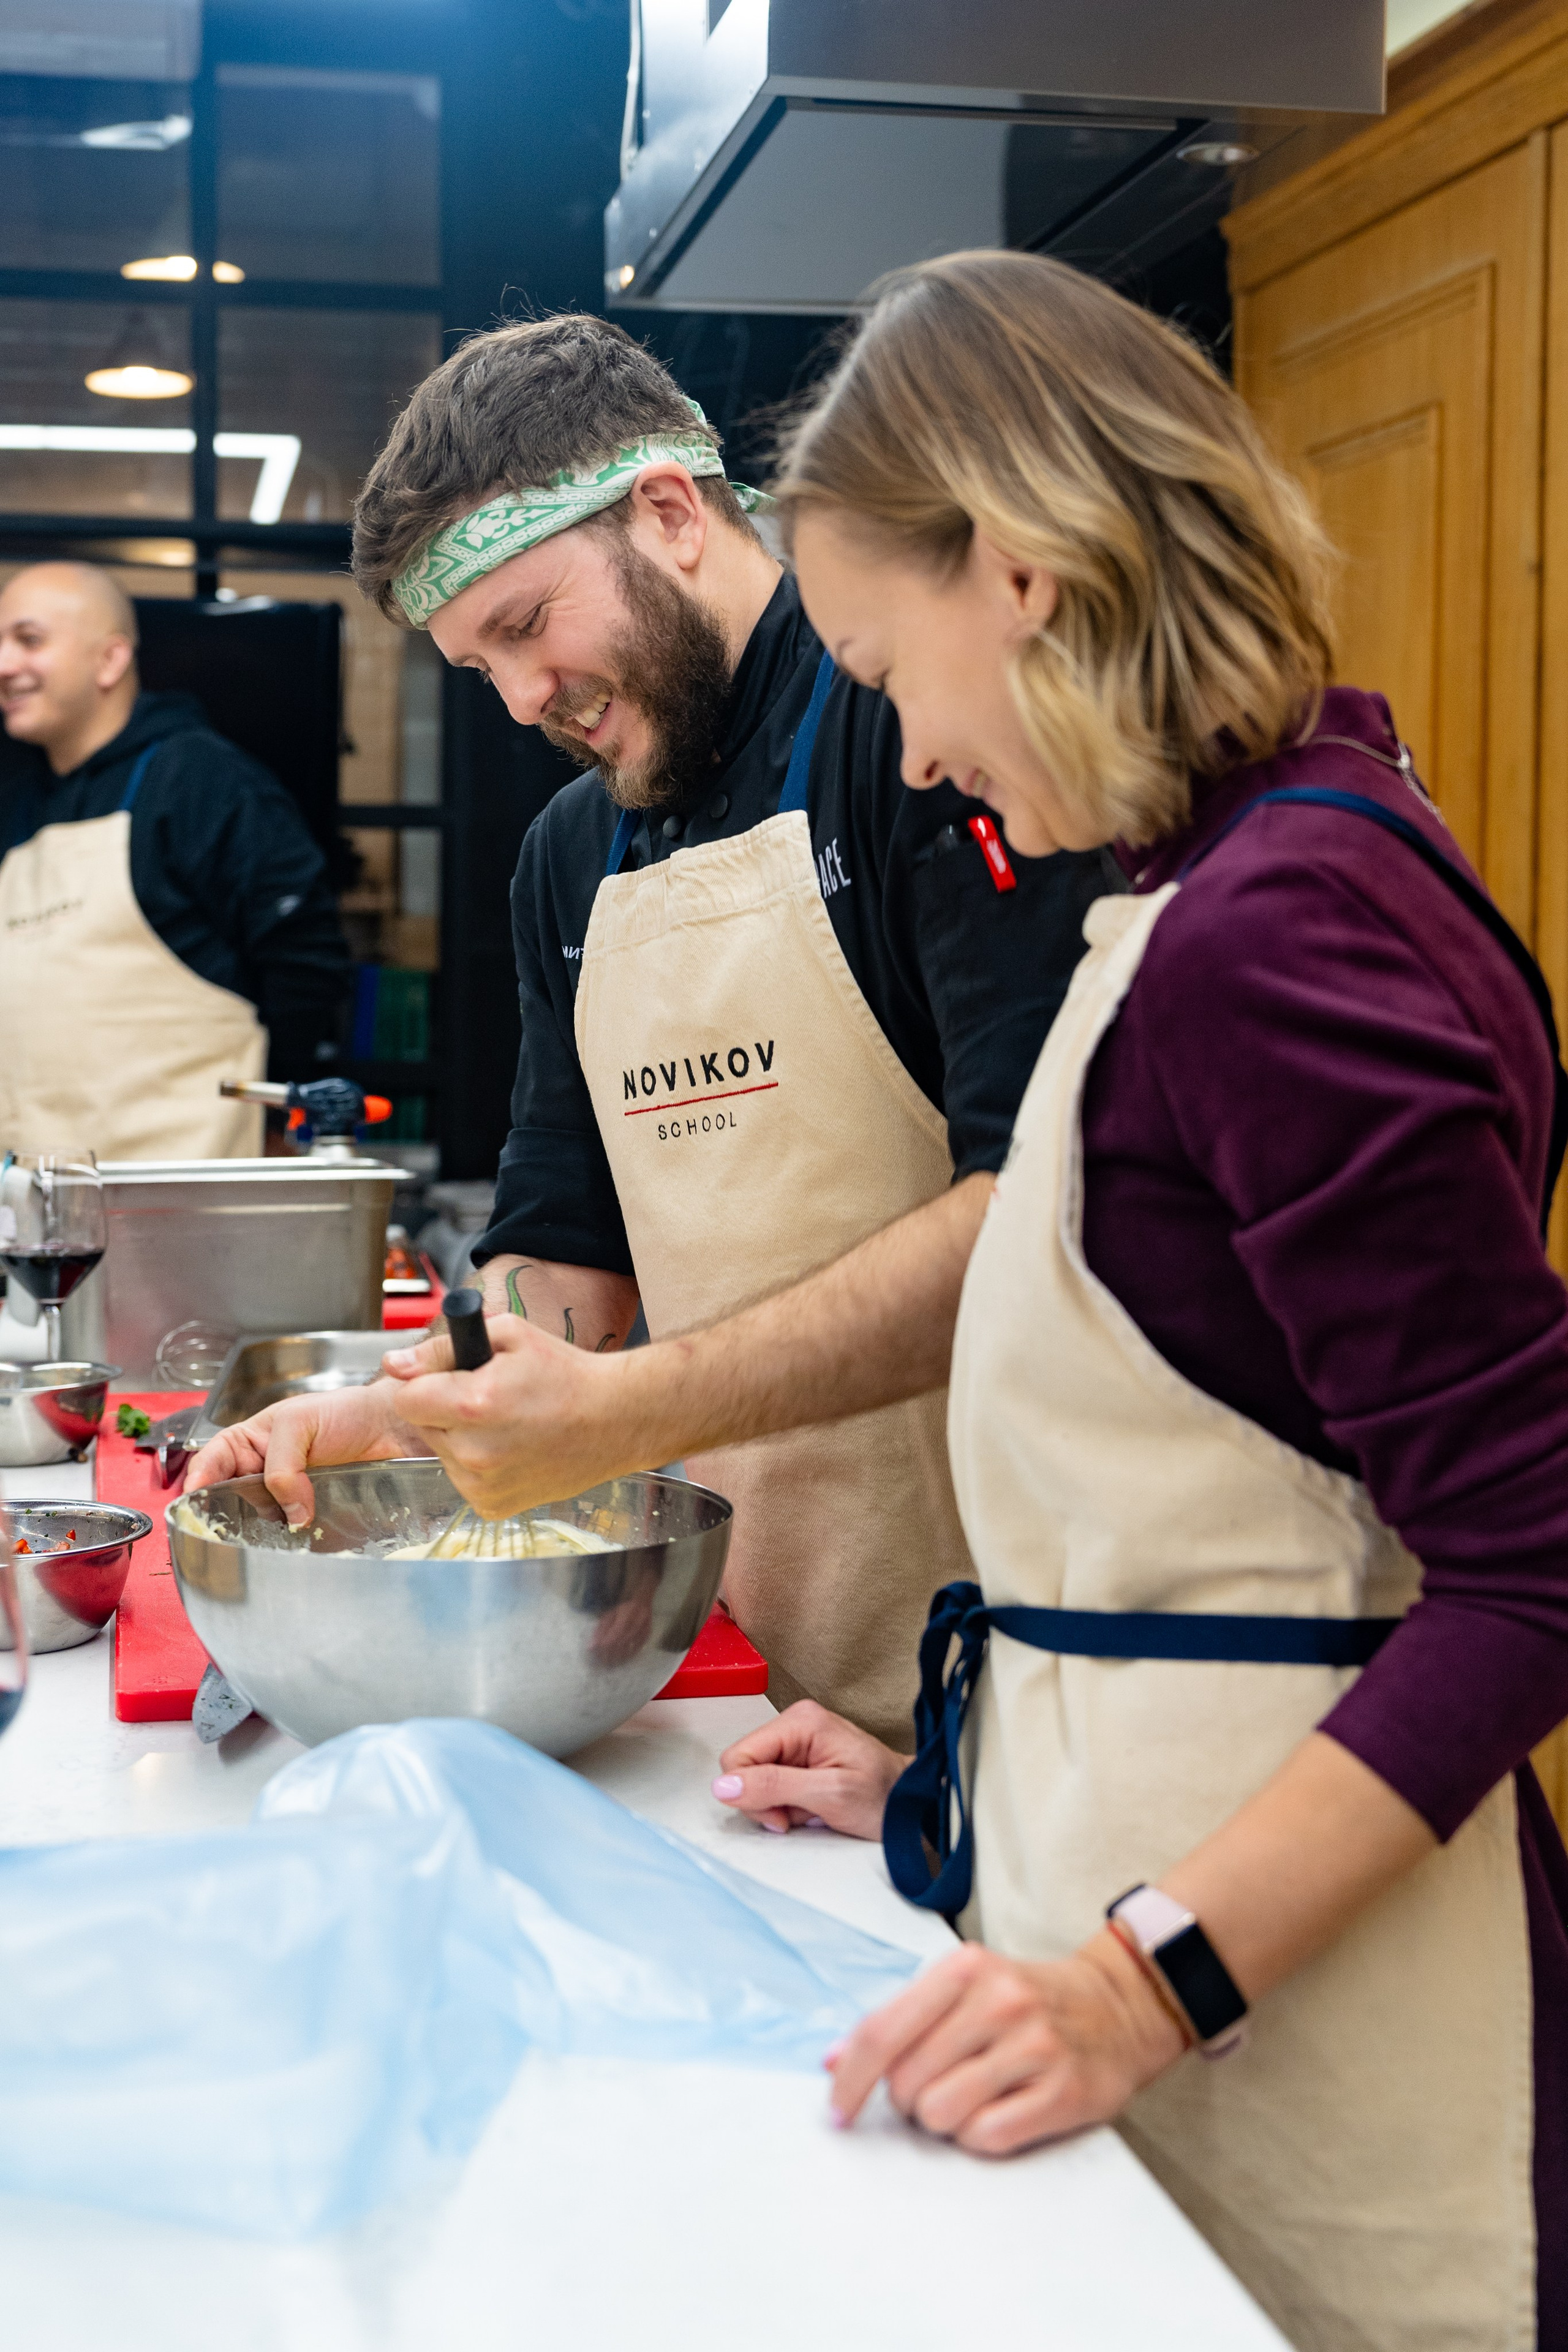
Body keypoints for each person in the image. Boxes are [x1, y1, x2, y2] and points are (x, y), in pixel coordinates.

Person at [393, 254, 1568, 2348]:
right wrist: (966, 1765)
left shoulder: (1280, 931)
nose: (914, 754)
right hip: (1108, 1922)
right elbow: (1185, 1517)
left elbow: (1533, 1563)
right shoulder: (1216, 889)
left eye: (883, 658)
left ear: (1016, 574)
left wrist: (1143, 1978)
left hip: (1288, 2002)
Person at [188, 316, 1110, 1747]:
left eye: (522, 625)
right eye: (475, 664)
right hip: (742, 1675)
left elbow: (1035, 1211)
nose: (517, 701)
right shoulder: (572, 855)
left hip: (1038, 1656)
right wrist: (401, 1425)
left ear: (671, 514)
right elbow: (570, 1268)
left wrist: (624, 1413)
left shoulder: (920, 735)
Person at [0, 562, 351, 1159]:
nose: (5, 666)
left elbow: (305, 960)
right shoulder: (20, 800)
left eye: (29, 641)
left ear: (110, 661)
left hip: (181, 1195)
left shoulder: (203, 782)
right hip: (35, 1197)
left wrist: (276, 1118)